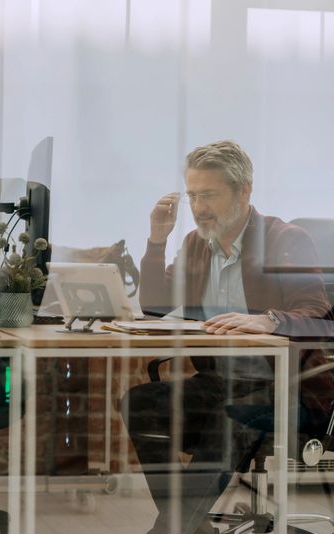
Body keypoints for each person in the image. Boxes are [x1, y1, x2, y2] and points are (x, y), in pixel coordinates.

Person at [122, 140, 334, 534]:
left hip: (288, 388)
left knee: (230, 416)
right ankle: (190, 524)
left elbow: (320, 319)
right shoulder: (195, 245)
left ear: (244, 191)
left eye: (209, 195)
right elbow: (154, 307)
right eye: (192, 196)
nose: (198, 207)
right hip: (221, 383)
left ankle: (174, 528)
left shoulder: (284, 240)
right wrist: (156, 241)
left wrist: (269, 321)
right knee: (141, 403)